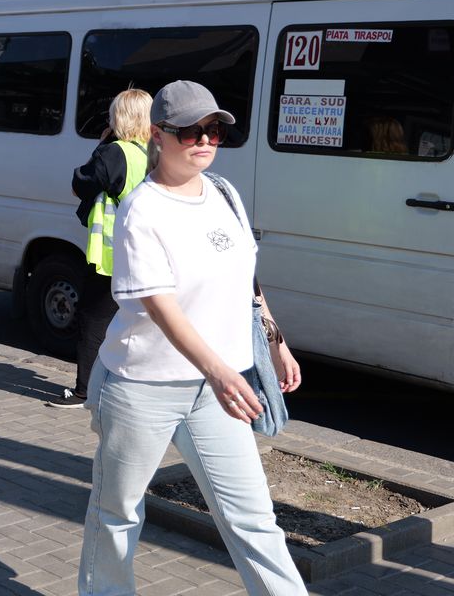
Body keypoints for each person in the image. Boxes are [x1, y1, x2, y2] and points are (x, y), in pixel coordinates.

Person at [78, 80, 305, 596]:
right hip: (143, 388)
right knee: (117, 513)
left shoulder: (224, 194)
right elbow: (161, 306)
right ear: (158, 135)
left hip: (216, 391)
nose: (204, 140)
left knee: (254, 518)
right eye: (190, 131)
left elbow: (246, 279)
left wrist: (275, 341)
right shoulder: (143, 209)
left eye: (213, 130)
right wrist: (221, 371)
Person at [47, 89, 151, 409]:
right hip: (145, 256)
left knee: (93, 321)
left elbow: (80, 184)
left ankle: (84, 392)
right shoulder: (155, 153)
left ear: (121, 118)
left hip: (110, 257)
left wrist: (102, 143)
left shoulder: (115, 153)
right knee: (136, 324)